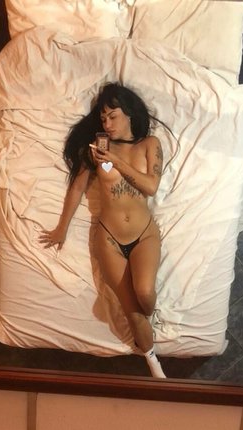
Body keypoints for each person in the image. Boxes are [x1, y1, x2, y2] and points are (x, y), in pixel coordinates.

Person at [40, 82, 166, 378]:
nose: (107, 124)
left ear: (129, 113)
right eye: (103, 118)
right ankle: (154, 365)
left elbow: (151, 186)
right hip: (109, 238)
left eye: (112, 116)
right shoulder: (98, 150)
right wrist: (61, 228)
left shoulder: (150, 144)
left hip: (144, 235)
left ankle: (145, 322)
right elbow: (77, 188)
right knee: (132, 311)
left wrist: (116, 162)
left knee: (145, 295)